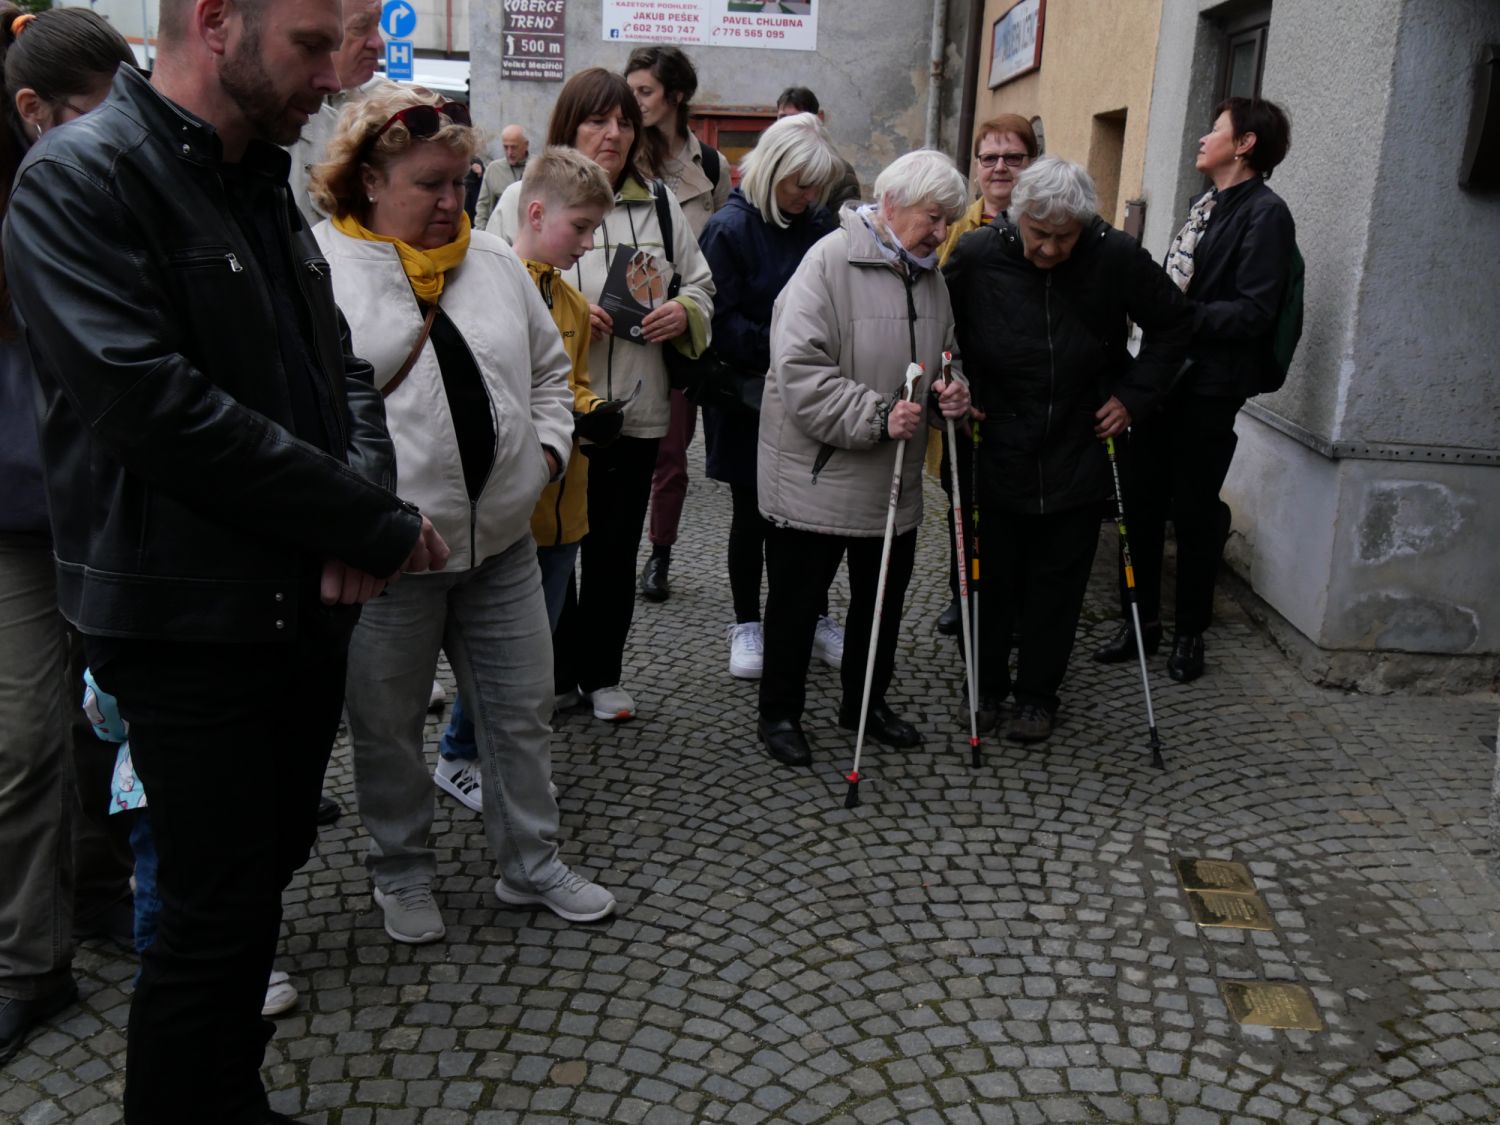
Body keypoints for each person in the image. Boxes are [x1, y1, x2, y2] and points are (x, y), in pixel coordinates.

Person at [2, 0, 450, 1117]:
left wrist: (356, 511)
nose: (335, 79)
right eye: (312, 45)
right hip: (184, 619)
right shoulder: (80, 176)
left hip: (292, 608)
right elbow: (153, 409)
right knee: (205, 922)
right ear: (213, 22)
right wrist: (361, 523)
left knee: (255, 889)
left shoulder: (258, 176)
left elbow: (341, 371)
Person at [310, 87, 616, 941]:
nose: (452, 201)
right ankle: (402, 871)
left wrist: (544, 457)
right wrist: (361, 520)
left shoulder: (492, 259)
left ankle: (531, 863)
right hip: (390, 561)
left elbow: (550, 373)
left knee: (521, 712)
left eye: (461, 181)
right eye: (429, 183)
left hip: (505, 544)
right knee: (387, 728)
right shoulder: (320, 270)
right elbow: (309, 422)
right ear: (370, 179)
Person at [488, 68, 715, 724]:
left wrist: (681, 311)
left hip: (633, 411)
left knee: (613, 551)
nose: (613, 133)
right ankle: (555, 675)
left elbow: (702, 285)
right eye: (597, 121)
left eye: (624, 122)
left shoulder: (659, 204)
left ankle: (602, 673)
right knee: (548, 549)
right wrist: (558, 305)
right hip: (553, 414)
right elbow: (492, 284)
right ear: (570, 125)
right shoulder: (523, 196)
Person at [0, 2, 138, 1067]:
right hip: (19, 514)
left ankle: (102, 891)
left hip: (117, 504)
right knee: (26, 738)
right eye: (94, 111)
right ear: (31, 111)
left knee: (114, 724)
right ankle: (25, 961)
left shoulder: (126, 187)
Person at [944, 157, 1192, 745]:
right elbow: (938, 332)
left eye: (1065, 237)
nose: (1051, 249)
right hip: (996, 438)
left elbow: (1175, 326)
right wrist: (953, 385)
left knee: (1058, 581)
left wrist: (1133, 397)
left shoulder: (1114, 255)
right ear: (1018, 217)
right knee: (989, 576)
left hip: (1079, 441)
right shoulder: (978, 254)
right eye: (1040, 234)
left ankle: (1037, 696)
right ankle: (983, 686)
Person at [756, 149, 972, 768]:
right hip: (817, 474)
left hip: (893, 482)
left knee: (882, 605)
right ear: (892, 204)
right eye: (933, 217)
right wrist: (878, 415)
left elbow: (947, 356)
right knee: (797, 604)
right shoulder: (827, 262)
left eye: (949, 220)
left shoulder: (931, 279)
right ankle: (779, 712)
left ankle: (865, 703)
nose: (942, 233)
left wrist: (953, 391)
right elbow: (798, 371)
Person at [433, 147, 620, 812]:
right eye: (581, 227)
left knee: (532, 659)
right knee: (497, 659)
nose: (589, 243)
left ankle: (501, 761)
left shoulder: (571, 301)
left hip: (565, 508)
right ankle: (459, 754)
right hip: (510, 511)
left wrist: (593, 412)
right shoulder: (482, 286)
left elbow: (569, 385)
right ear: (536, 213)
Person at [1095, 97, 1296, 685]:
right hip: (1162, 376)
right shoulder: (1204, 204)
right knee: (1139, 503)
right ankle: (1140, 623)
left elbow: (1254, 312)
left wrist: (1178, 315)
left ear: (1245, 144)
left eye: (1216, 130)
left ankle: (1189, 632)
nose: (1203, 138)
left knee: (1194, 512)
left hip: (1208, 387)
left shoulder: (1266, 214)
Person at [698, 112, 845, 680]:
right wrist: (791, 344)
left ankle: (813, 615)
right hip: (749, 396)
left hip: (808, 391)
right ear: (773, 172)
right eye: (800, 185)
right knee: (751, 514)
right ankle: (746, 622)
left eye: (817, 187)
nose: (809, 197)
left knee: (814, 516)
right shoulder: (728, 229)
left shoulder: (821, 222)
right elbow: (719, 322)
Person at [627, 44, 730, 603]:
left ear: (677, 95)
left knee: (671, 451)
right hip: (620, 318)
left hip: (681, 323)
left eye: (645, 91)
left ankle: (660, 552)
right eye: (632, 91)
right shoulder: (620, 153)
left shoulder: (710, 167)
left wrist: (698, 312)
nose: (635, 102)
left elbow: (720, 251)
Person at [932, 114, 1039, 647]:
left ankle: (1015, 602)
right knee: (962, 496)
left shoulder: (1048, 224)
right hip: (968, 389)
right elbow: (937, 311)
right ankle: (962, 592)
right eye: (989, 157)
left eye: (1013, 157)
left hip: (1025, 396)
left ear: (1031, 164)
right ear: (975, 167)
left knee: (1017, 508)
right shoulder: (956, 228)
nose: (1000, 168)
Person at [285, 0, 384, 223]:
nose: (378, 42)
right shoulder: (268, 115)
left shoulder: (388, 108)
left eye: (377, 25)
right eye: (361, 27)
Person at [776, 85, 862, 210]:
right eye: (783, 118)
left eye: (796, 118)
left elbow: (844, 219)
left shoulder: (839, 172)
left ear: (815, 121)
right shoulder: (766, 163)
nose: (787, 125)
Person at [475, 123, 531, 228]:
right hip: (500, 232)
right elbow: (483, 207)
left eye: (514, 147)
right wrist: (481, 233)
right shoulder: (493, 169)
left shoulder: (539, 168)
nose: (509, 152)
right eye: (506, 147)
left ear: (526, 145)